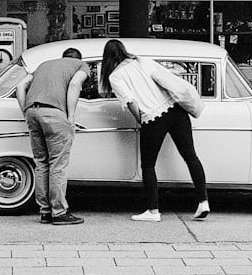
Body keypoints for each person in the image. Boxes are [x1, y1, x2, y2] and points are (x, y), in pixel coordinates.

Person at [99, 39, 209, 222]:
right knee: (190, 156)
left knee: (148, 165)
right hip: (176, 110)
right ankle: (203, 202)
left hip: (153, 117)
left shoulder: (115, 76)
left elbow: (130, 102)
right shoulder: (142, 61)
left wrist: (140, 119)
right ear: (123, 51)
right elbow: (166, 78)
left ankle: (153, 210)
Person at [15, 48, 90, 226]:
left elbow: (20, 86)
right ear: (77, 59)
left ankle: (45, 212)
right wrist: (71, 116)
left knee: (41, 163)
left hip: (33, 112)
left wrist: (25, 111)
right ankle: (59, 212)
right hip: (55, 115)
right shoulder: (81, 65)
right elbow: (74, 85)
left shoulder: (43, 65)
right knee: (58, 164)